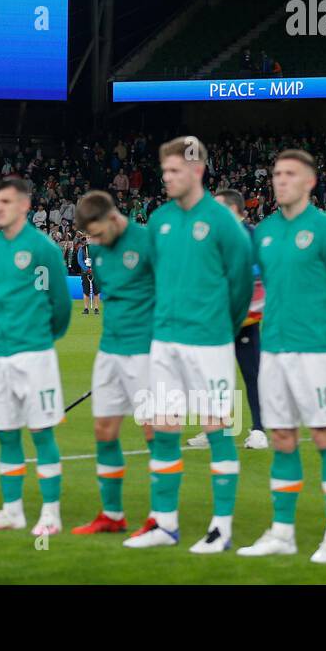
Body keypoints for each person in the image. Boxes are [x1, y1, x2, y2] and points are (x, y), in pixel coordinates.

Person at [125, 136, 253, 553]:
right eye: (164, 172)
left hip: (210, 344)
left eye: (174, 171)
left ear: (197, 171)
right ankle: (164, 523)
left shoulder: (223, 223)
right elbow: (151, 277)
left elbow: (240, 289)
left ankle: (222, 528)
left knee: (217, 429)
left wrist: (219, 326)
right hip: (165, 343)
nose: (167, 179)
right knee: (164, 428)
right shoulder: (159, 219)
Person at [234, 151, 326, 564]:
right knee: (283, 439)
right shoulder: (265, 231)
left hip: (314, 352)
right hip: (274, 351)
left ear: (309, 182)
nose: (280, 180)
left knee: (325, 436)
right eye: (276, 174)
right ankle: (283, 532)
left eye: (289, 174)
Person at [0, 177, 72, 536]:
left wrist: (42, 338)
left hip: (35, 356)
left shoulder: (43, 248)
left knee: (42, 434)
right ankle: (12, 511)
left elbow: (60, 305)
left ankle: (51, 514)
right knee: (6, 435)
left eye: (6, 202)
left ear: (26, 205)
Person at [69, 190, 154, 536]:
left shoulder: (148, 242)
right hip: (110, 350)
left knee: (155, 432)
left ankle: (162, 520)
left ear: (114, 217)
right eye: (91, 237)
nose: (97, 242)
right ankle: (112, 515)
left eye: (99, 233)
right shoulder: (99, 252)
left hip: (148, 351)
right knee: (104, 430)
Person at [212, 189, 268, 450]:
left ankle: (259, 428)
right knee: (213, 376)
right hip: (215, 317)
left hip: (245, 317)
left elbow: (261, 275)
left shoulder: (253, 236)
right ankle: (216, 428)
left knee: (251, 373)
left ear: (234, 209)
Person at [77, 237, 100, 315]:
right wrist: (87, 269)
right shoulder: (82, 249)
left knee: (96, 291)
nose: (90, 239)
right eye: (88, 238)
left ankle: (96, 308)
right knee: (86, 291)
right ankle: (86, 308)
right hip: (85, 273)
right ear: (86, 239)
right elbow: (80, 261)